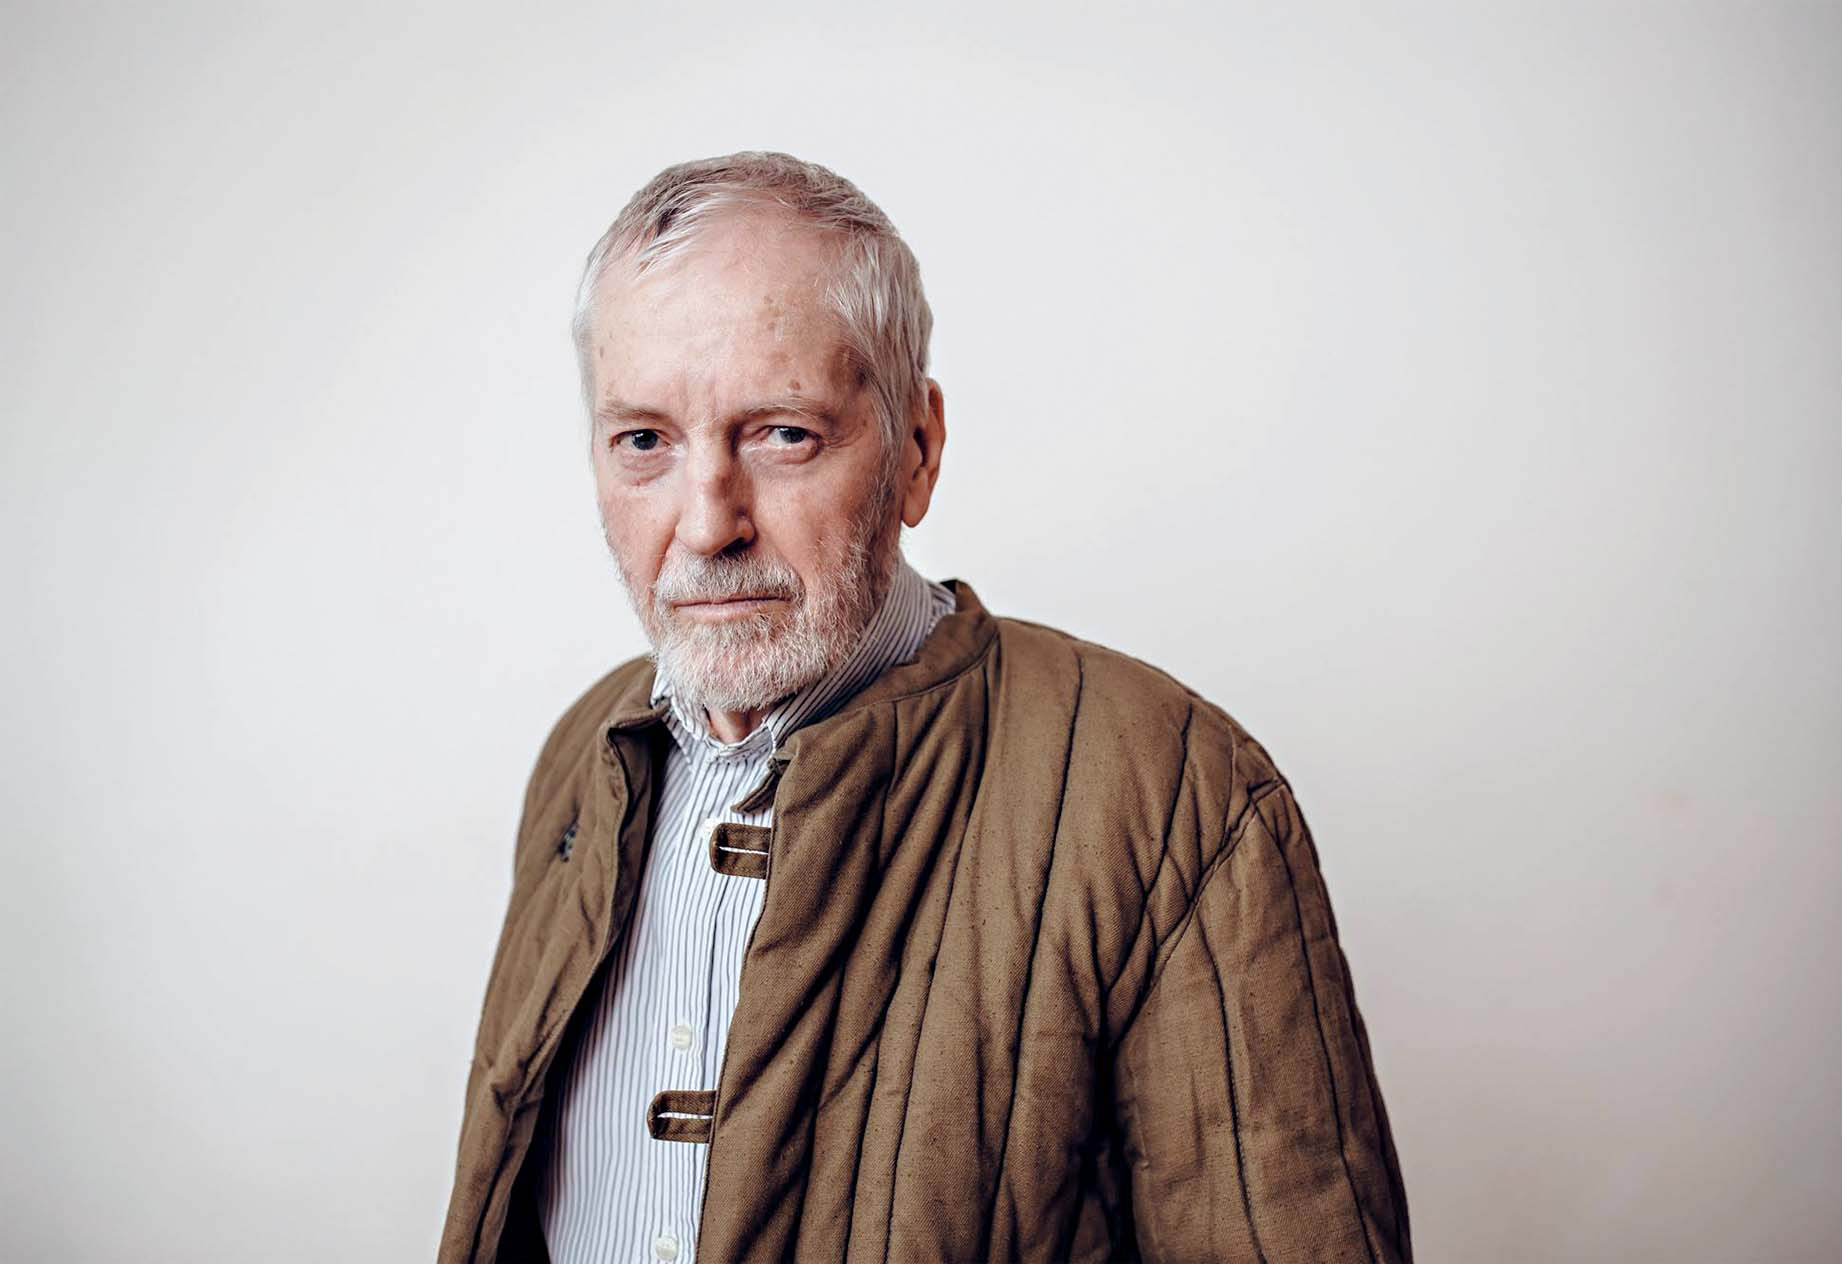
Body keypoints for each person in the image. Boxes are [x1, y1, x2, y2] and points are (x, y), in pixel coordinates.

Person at [439, 151, 1411, 1264]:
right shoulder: (583, 755)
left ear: (915, 448)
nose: (707, 524)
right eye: (644, 441)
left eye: (782, 433)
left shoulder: (1173, 791)